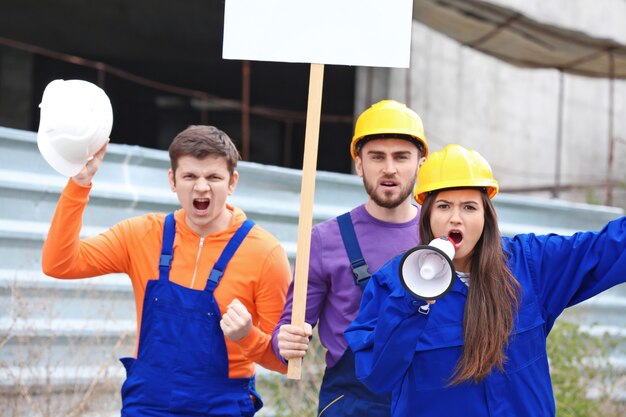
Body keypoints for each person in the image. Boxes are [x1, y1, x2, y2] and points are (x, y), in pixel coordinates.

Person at [344, 144, 626, 416]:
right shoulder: (393, 283)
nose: (456, 219)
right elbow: (376, 375)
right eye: (443, 206)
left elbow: (607, 249)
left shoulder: (530, 265)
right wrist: (410, 303)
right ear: (427, 215)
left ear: (486, 215)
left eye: (469, 207)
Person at [42, 125, 292, 416]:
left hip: (220, 405)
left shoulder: (265, 253)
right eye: (189, 176)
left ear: (232, 182)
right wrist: (79, 183)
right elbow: (59, 263)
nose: (201, 187)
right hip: (148, 402)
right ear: (172, 180)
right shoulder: (141, 235)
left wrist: (248, 336)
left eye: (213, 177)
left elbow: (283, 361)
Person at [272, 100, 429, 416]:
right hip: (351, 403)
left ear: (421, 162)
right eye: (376, 157)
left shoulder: (440, 237)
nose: (389, 168)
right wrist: (284, 341)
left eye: (401, 157)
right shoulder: (325, 239)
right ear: (359, 163)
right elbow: (290, 326)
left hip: (426, 398)